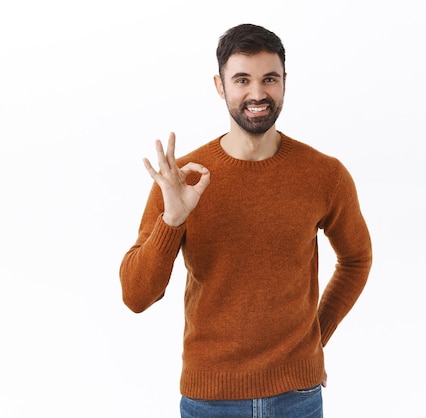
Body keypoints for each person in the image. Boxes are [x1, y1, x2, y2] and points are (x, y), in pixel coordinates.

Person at [119, 23, 372, 417]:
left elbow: (357, 259)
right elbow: (136, 296)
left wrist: (316, 337)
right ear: (220, 86)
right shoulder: (180, 179)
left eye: (269, 79)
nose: (257, 94)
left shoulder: (325, 174)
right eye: (242, 80)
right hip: (210, 400)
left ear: (285, 82)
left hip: (298, 398)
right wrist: (173, 220)